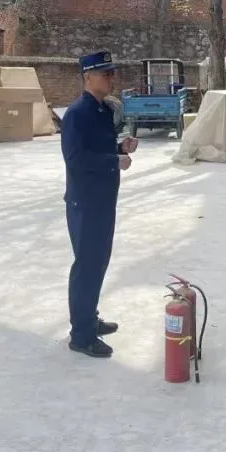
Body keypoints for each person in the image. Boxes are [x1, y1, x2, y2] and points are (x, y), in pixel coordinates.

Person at [62, 51, 139, 358]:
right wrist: (113, 160)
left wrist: (120, 147)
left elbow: (99, 146)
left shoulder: (103, 109)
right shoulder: (77, 113)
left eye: (112, 73)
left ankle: (89, 317)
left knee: (98, 262)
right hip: (86, 201)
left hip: (103, 198)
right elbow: (76, 158)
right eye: (105, 74)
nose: (111, 78)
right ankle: (81, 335)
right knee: (87, 265)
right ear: (87, 77)